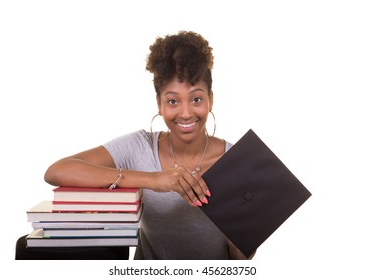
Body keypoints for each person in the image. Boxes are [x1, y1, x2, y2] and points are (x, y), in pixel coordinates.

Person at [44, 30, 252, 260]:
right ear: (159, 103)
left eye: (196, 99)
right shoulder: (139, 147)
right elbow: (56, 171)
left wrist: (240, 243)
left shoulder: (236, 160)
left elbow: (242, 262)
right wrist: (154, 180)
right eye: (172, 101)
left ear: (210, 99)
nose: (185, 113)